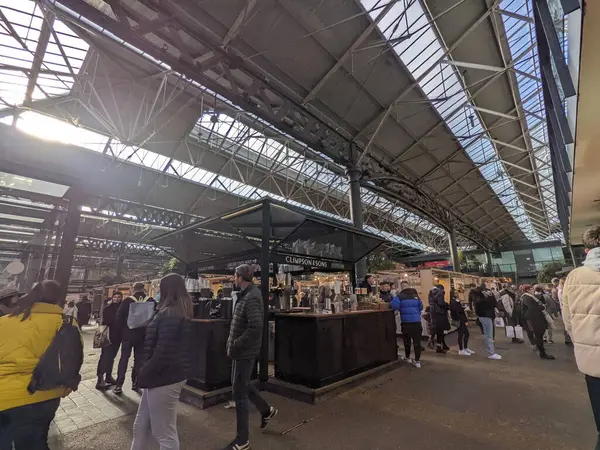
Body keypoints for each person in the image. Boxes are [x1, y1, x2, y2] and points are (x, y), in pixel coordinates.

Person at [0, 280, 82, 449]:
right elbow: (73, 360)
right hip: (44, 394)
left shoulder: (5, 321)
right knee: (34, 443)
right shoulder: (66, 323)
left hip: (4, 395)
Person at [131, 274, 193, 450]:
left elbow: (162, 351)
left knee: (164, 434)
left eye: (160, 287)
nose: (157, 291)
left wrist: (143, 371)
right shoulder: (174, 312)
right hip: (160, 376)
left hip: (164, 377)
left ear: (167, 290)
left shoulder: (170, 314)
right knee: (141, 425)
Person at [224, 264, 277, 450]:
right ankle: (266, 410)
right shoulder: (248, 294)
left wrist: (236, 343)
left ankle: (242, 441)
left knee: (239, 394)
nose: (233, 279)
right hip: (242, 351)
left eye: (234, 276)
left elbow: (255, 327)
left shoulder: (252, 297)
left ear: (240, 277)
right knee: (242, 385)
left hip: (244, 352)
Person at [562, 227, 600, 449]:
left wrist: (581, 342)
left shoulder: (574, 277)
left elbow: (568, 321)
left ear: (586, 250)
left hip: (591, 362)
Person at [115, 282, 155, 394]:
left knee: (124, 359)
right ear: (144, 289)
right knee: (139, 360)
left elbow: (119, 318)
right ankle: (135, 383)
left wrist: (123, 331)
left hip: (128, 335)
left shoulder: (127, 301)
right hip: (143, 336)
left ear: (133, 289)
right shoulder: (150, 300)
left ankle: (119, 385)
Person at [96, 291, 123, 390]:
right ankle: (100, 378)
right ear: (112, 298)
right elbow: (105, 321)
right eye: (115, 297)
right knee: (105, 357)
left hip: (117, 337)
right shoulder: (108, 308)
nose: (117, 298)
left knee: (112, 357)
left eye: (119, 297)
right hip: (108, 336)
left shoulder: (122, 308)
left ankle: (108, 376)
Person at [390, 286, 423, 368]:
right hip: (417, 322)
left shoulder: (400, 296)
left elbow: (394, 306)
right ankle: (417, 361)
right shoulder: (416, 297)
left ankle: (408, 357)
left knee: (407, 341)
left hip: (406, 322)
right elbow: (421, 307)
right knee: (417, 342)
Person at [521, 285, 555, 360]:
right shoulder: (527, 297)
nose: (533, 290)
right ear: (527, 290)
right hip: (534, 320)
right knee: (538, 336)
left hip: (536, 319)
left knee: (539, 336)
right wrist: (541, 307)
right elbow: (532, 309)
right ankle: (542, 353)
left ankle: (542, 351)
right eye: (531, 289)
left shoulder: (530, 297)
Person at [474, 283, 502, 360]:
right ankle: (491, 353)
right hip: (486, 316)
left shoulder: (478, 298)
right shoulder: (481, 299)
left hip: (485, 316)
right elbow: (492, 304)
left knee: (487, 335)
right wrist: (490, 298)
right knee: (489, 335)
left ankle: (490, 352)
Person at [450, 288, 473, 356]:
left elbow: (460, 310)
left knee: (466, 334)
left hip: (462, 319)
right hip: (459, 319)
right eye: (455, 292)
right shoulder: (453, 301)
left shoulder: (457, 300)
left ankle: (465, 348)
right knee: (461, 334)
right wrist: (462, 308)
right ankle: (461, 349)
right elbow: (456, 310)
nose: (457, 293)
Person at [428, 284, 450, 354]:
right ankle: (439, 347)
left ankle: (442, 345)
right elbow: (441, 303)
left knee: (437, 330)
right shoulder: (440, 292)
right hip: (440, 313)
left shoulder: (431, 293)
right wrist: (446, 305)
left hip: (433, 313)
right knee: (440, 331)